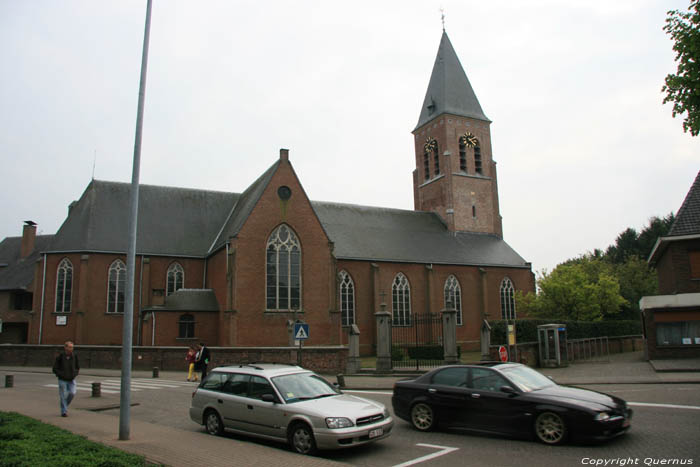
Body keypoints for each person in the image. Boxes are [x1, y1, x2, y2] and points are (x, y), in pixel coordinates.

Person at [52, 341, 80, 417]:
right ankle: (64, 411)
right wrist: (61, 374)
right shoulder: (60, 357)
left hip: (71, 379)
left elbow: (77, 366)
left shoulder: (74, 356)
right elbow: (55, 368)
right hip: (62, 379)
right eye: (70, 347)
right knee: (63, 395)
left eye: (72, 347)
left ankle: (64, 405)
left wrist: (75, 373)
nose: (71, 349)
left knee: (72, 393)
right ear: (65, 347)